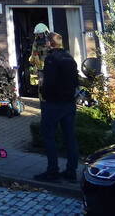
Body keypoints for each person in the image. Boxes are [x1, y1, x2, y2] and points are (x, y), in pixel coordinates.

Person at [35, 32, 80, 182]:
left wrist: (44, 93)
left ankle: (52, 171)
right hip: (69, 103)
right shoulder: (69, 58)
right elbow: (75, 80)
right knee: (70, 137)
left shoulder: (51, 59)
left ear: (50, 43)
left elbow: (50, 82)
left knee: (49, 136)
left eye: (47, 41)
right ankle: (71, 171)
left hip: (54, 104)